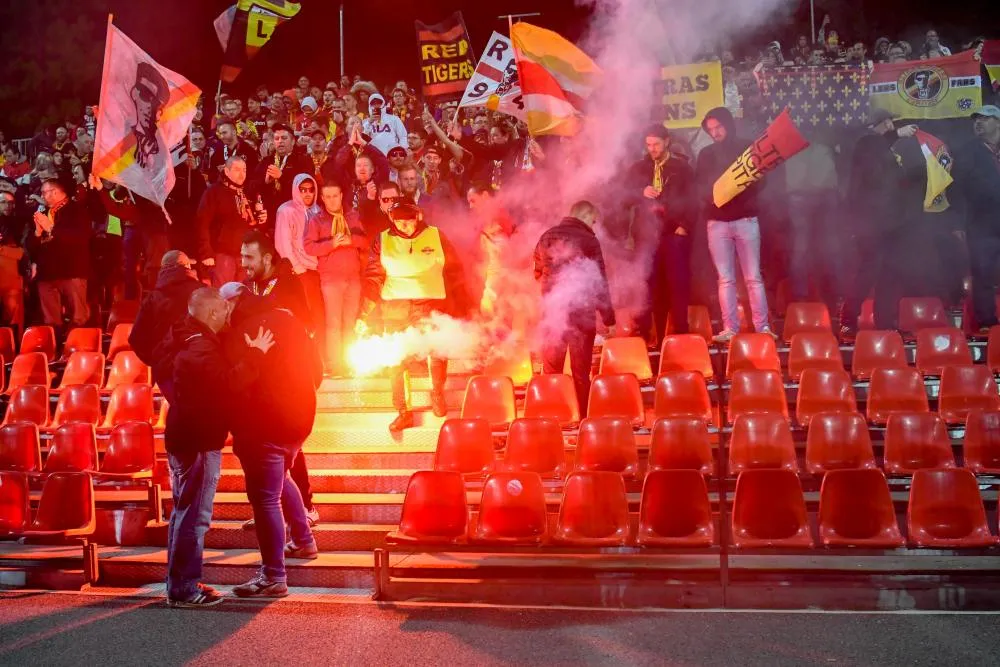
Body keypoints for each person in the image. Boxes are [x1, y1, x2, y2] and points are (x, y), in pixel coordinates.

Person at [156, 287, 275, 608]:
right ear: (211, 314)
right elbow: (228, 384)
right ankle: (183, 589)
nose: (227, 314)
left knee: (184, 514)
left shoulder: (185, 337)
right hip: (198, 440)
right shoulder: (201, 348)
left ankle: (180, 583)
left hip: (184, 437)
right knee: (194, 517)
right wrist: (256, 354)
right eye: (223, 310)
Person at [221, 284, 323, 598]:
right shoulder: (288, 319)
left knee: (265, 499)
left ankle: (273, 577)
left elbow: (236, 382)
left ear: (232, 303)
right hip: (299, 421)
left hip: (262, 424)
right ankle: (303, 541)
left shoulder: (241, 331)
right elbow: (317, 371)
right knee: (282, 478)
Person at [360, 202, 470, 432]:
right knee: (396, 360)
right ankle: (404, 411)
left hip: (430, 304)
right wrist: (363, 313)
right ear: (392, 220)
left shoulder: (435, 235)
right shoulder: (383, 240)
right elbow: (373, 277)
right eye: (400, 222)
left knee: (436, 351)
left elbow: (455, 270)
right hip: (395, 308)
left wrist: (462, 304)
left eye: (409, 222)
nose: (405, 226)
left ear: (418, 217)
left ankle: (437, 393)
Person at [695, 107, 775, 342]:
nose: (715, 132)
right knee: (726, 279)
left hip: (745, 219)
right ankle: (730, 328)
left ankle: (762, 327)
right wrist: (714, 197)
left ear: (728, 125)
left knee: (753, 277)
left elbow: (761, 179)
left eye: (718, 127)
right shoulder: (706, 154)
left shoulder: (746, 148)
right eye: (711, 129)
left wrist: (740, 195)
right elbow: (699, 186)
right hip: (717, 222)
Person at [839, 109, 920, 336]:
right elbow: (873, 160)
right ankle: (848, 319)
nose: (893, 126)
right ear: (883, 123)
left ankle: (886, 321)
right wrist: (896, 135)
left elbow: (892, 182)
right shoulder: (866, 142)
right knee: (868, 271)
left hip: (892, 222)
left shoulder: (883, 148)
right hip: (870, 223)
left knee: (891, 273)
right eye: (891, 122)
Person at [533, 201, 616, 417]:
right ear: (585, 216)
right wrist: (608, 319)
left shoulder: (546, 237)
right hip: (581, 315)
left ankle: (553, 419)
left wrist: (550, 288)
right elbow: (600, 282)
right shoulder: (589, 240)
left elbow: (537, 271)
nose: (594, 225)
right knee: (581, 375)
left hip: (553, 314)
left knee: (552, 373)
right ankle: (582, 421)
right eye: (593, 220)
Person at [630, 124, 696, 342]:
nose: (652, 149)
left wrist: (684, 226)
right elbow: (622, 195)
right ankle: (645, 334)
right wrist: (640, 191)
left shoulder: (682, 168)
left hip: (673, 233)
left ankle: (680, 332)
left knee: (677, 283)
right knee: (647, 284)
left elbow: (693, 199)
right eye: (648, 144)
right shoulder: (638, 168)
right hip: (646, 235)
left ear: (667, 141)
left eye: (656, 144)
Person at [304, 181, 368, 375]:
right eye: (328, 197)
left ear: (341, 196)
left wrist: (351, 240)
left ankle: (350, 362)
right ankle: (335, 363)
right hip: (331, 279)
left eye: (335, 196)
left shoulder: (353, 216)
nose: (332, 200)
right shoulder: (317, 220)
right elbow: (309, 247)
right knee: (333, 323)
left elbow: (365, 241)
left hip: (353, 277)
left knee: (350, 322)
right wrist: (331, 244)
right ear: (323, 199)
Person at [954, 105, 1000, 333]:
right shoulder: (967, 152)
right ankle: (987, 322)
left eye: (985, 118)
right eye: (976, 119)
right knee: (983, 273)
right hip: (981, 224)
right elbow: (956, 190)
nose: (978, 122)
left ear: (998, 123)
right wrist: (957, 223)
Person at [27, 178, 91, 329]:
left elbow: (82, 237)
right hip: (46, 274)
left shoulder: (77, 210)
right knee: (50, 321)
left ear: (55, 192)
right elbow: (31, 248)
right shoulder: (43, 213)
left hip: (71, 271)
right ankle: (53, 343)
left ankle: (77, 343)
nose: (42, 196)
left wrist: (51, 228)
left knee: (78, 318)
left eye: (44, 193)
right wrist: (37, 233)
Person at [129, 250, 201, 377]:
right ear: (186, 266)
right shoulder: (202, 293)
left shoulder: (152, 298)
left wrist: (156, 359)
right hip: (196, 366)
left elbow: (136, 338)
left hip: (166, 370)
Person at [196, 156, 266, 287]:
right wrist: (206, 253)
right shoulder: (213, 192)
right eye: (237, 170)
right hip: (222, 254)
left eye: (244, 170)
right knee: (223, 292)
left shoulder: (247, 193)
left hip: (245, 254)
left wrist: (262, 220)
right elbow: (202, 223)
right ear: (227, 171)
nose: (242, 174)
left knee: (243, 293)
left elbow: (253, 224)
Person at [274, 173, 324, 340]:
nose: (307, 193)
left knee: (318, 313)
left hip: (317, 270)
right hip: (300, 272)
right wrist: (298, 268)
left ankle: (319, 349)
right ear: (296, 190)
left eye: (310, 189)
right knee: (305, 313)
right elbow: (283, 243)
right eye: (302, 189)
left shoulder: (318, 211)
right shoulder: (286, 210)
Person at [240, 229, 310, 326]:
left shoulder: (287, 284)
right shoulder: (246, 285)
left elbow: (305, 324)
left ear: (267, 259)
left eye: (249, 257)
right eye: (242, 256)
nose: (243, 264)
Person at [252, 124, 314, 223]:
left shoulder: (304, 161)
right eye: (277, 138)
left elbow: (307, 190)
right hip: (269, 217)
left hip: (294, 216)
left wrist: (282, 177)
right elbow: (252, 187)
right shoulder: (266, 162)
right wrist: (265, 182)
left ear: (293, 141)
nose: (280, 141)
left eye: (284, 138)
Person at [0, 189, 26, 332]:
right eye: (4, 202)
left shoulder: (19, 225)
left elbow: (22, 253)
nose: (8, 206)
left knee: (13, 318)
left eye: (11, 203)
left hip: (11, 281)